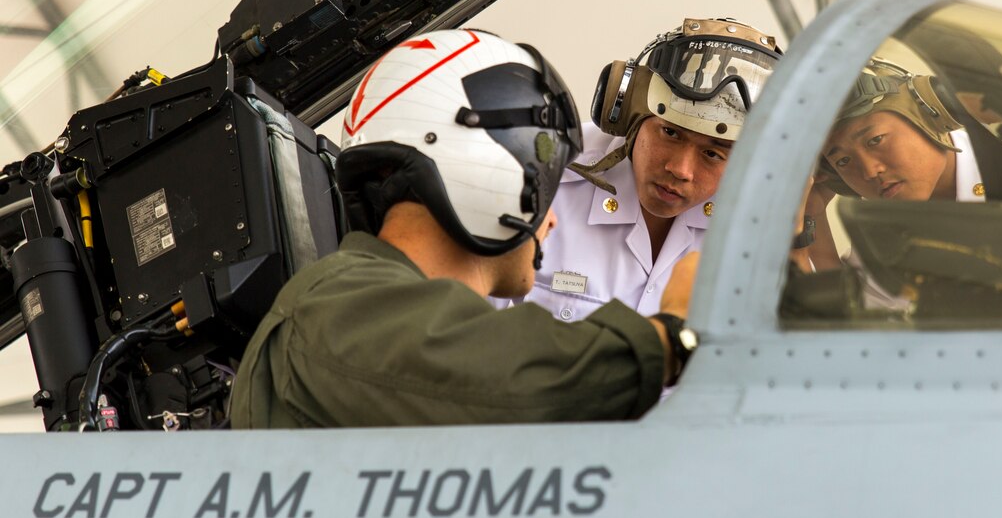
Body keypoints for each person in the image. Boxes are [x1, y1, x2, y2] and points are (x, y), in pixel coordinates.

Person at [230, 29, 699, 429]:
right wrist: (674, 333)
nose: (552, 218)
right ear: (485, 170)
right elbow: (515, 382)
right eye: (544, 186)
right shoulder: (338, 307)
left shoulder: (357, 311)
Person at [508, 17, 814, 322]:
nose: (680, 169)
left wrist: (792, 237)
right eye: (670, 133)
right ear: (628, 111)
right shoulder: (545, 171)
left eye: (712, 153)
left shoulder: (753, 227)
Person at [819, 57, 1002, 204]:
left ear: (930, 115)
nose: (869, 171)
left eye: (875, 140)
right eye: (842, 161)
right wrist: (811, 221)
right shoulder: (881, 235)